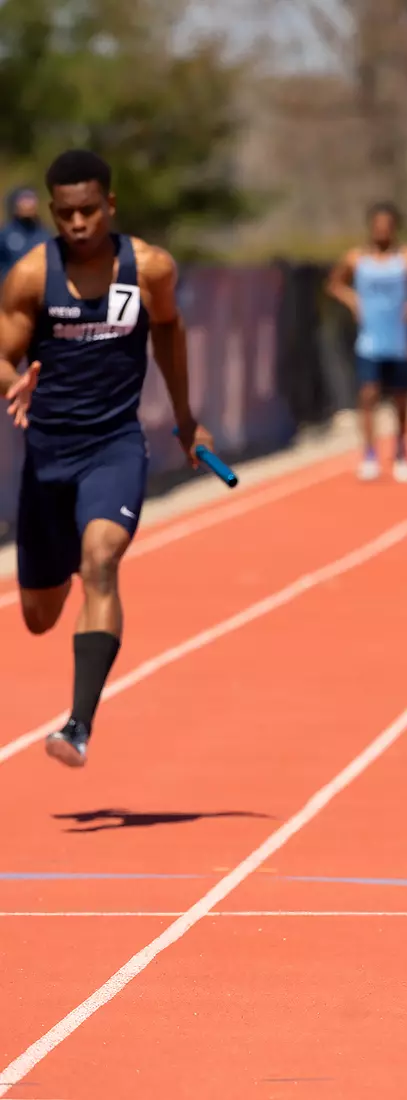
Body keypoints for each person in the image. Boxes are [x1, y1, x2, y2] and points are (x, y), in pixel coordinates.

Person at [1, 149, 214, 767]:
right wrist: (13, 383)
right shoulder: (30, 278)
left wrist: (186, 419)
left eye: (89, 210)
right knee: (39, 616)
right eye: (66, 213)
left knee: (101, 560)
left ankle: (78, 726)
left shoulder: (149, 268)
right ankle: (67, 552)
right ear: (52, 213)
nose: (78, 223)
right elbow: (2, 355)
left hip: (113, 446)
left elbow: (168, 329)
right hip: (47, 459)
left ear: (110, 205)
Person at [326, 202, 407, 483]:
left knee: (401, 400)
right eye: (378, 225)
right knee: (368, 395)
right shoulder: (356, 259)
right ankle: (370, 454)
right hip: (369, 340)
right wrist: (352, 300)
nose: (382, 230)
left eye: (387, 226)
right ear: (371, 227)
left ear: (395, 228)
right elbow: (334, 284)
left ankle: (401, 453)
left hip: (398, 340)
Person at [0, 188, 51, 280]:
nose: (29, 205)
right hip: (10, 284)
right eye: (24, 200)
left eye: (31, 200)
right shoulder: (5, 234)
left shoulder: (45, 234)